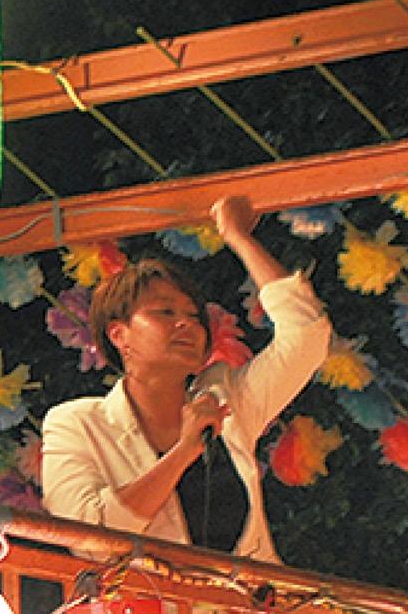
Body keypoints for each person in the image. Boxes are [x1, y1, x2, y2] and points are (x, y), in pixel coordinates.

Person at [42, 195, 331, 561]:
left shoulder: (228, 402)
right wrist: (183, 453)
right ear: (119, 335)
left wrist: (238, 236)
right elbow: (89, 538)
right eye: (164, 311)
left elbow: (306, 336)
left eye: (195, 316)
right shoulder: (77, 424)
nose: (187, 324)